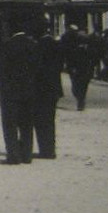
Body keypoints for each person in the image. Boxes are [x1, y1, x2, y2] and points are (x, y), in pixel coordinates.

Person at [0, 21, 39, 165]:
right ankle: (27, 154)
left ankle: (13, 155)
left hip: (10, 91)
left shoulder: (7, 46)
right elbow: (38, 68)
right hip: (29, 89)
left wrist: (3, 83)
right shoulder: (33, 46)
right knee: (27, 124)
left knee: (10, 124)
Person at [33, 18, 63, 158]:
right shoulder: (56, 44)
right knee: (49, 120)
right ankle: (49, 149)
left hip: (41, 88)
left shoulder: (39, 46)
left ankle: (45, 150)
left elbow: (37, 68)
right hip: (54, 87)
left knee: (41, 120)